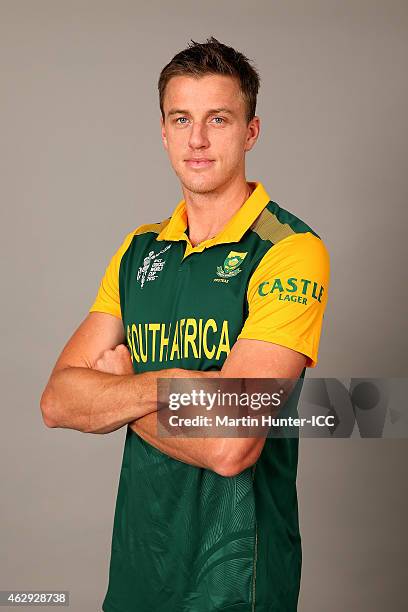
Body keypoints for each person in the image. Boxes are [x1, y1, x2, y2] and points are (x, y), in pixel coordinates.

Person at [40, 37, 330, 612]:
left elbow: (230, 443)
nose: (197, 139)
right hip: (139, 566)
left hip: (237, 578)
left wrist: (118, 391)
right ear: (164, 131)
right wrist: (170, 384)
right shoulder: (137, 251)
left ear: (250, 131)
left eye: (218, 119)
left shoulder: (290, 249)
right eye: (182, 119)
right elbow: (56, 401)